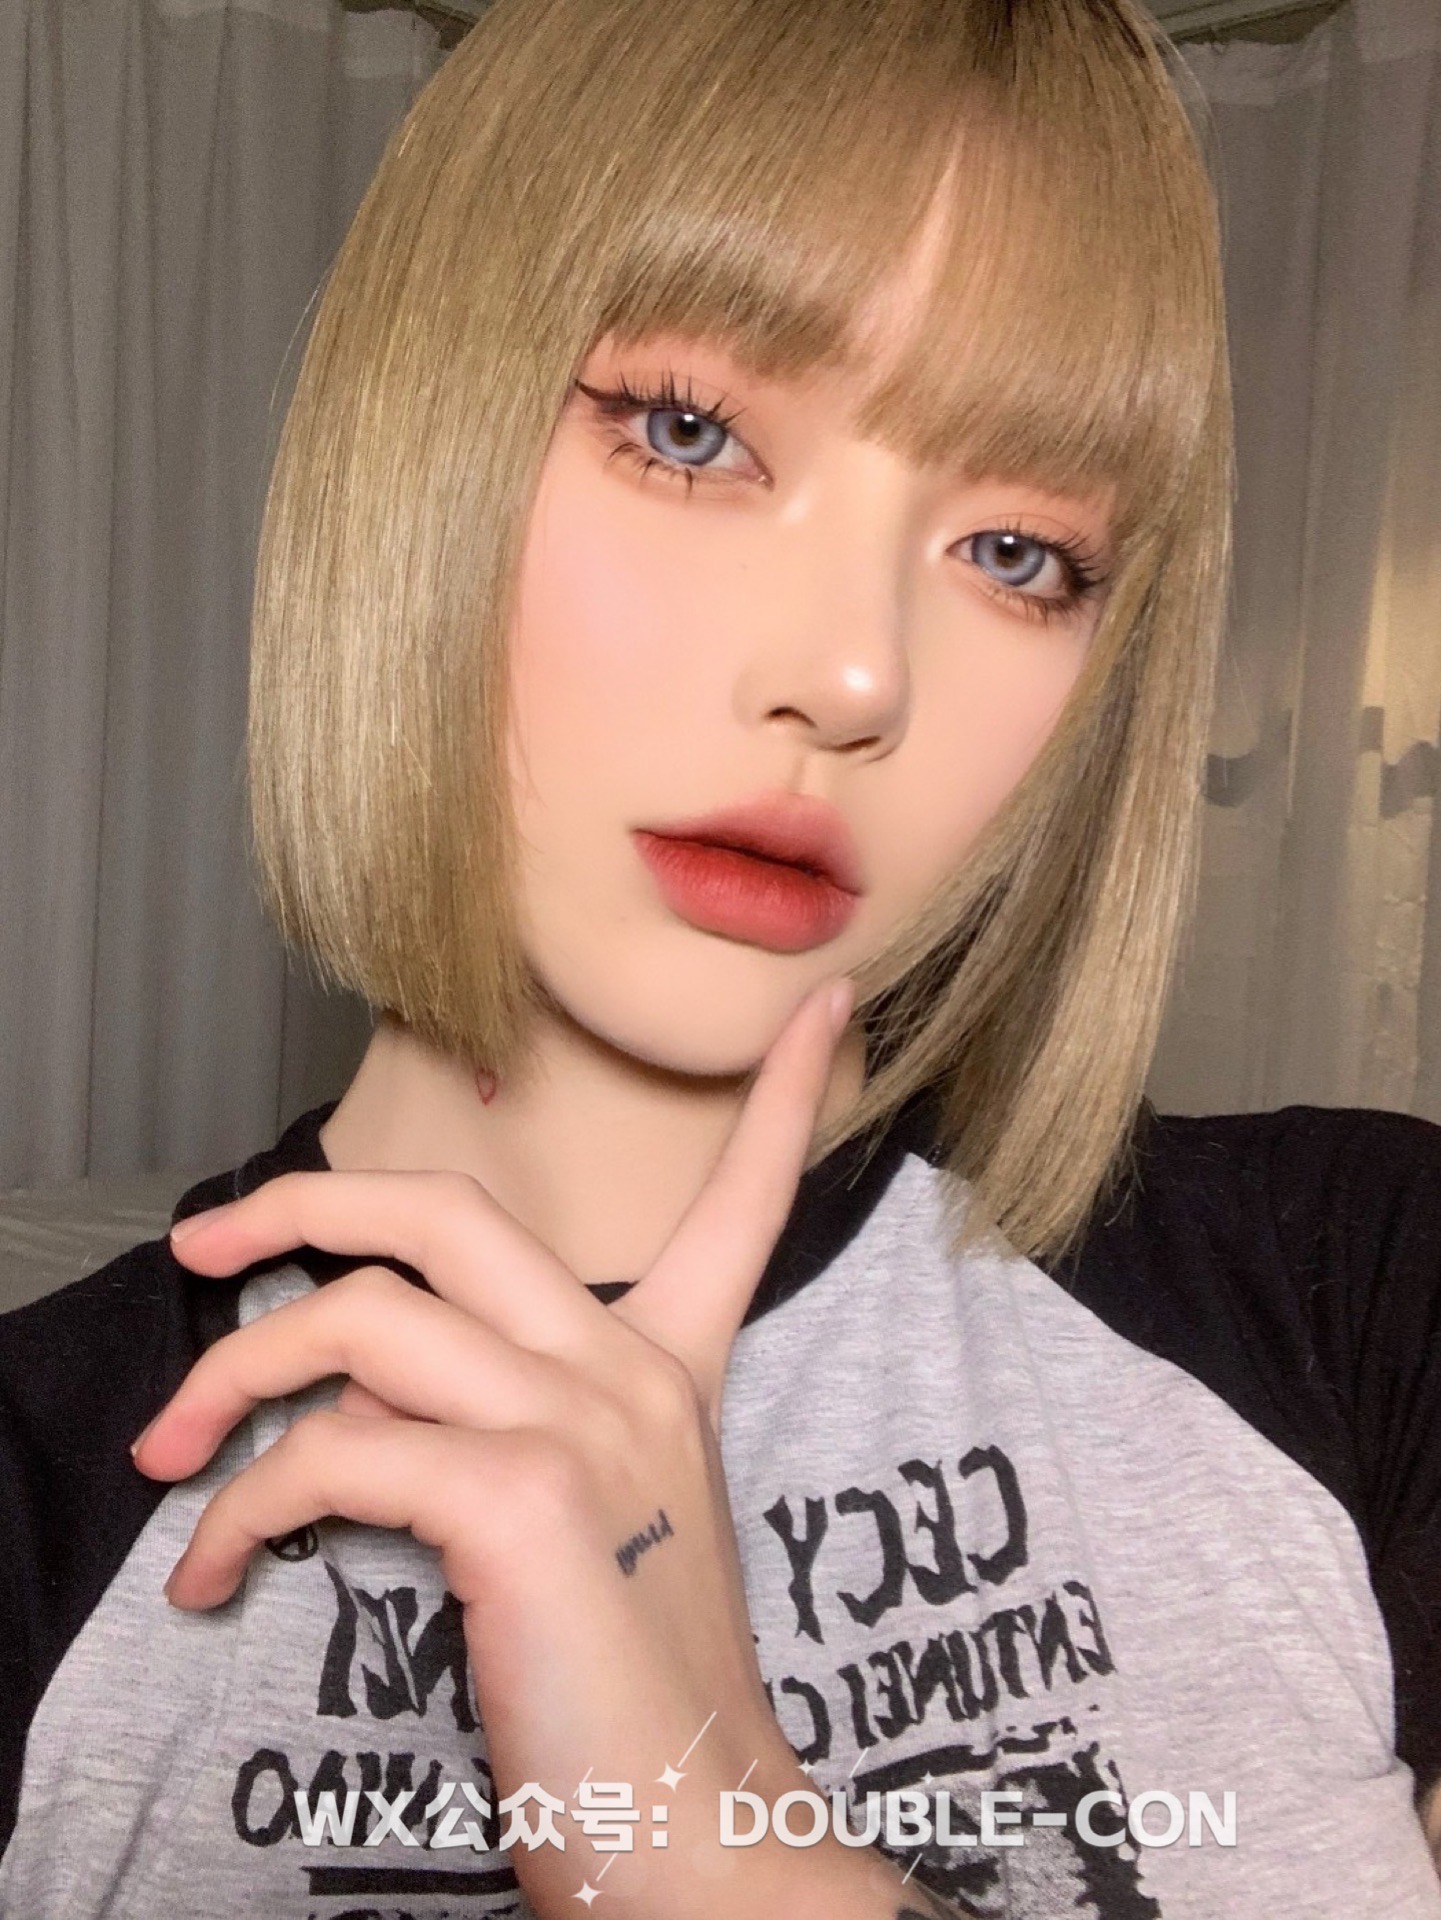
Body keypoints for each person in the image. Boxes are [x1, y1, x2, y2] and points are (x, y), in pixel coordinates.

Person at [2, 0, 1440, 1913]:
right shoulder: (35, 1488)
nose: (853, 674)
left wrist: (713, 1830)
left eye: (1018, 554)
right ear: (414, 443)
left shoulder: (1367, 1286)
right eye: (689, 432)